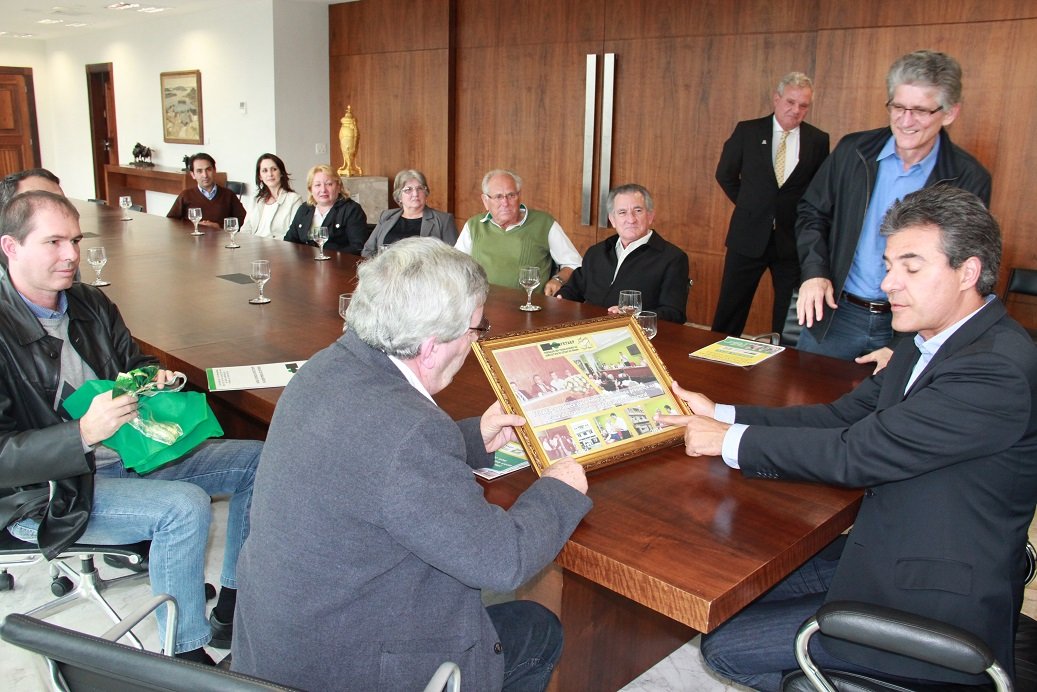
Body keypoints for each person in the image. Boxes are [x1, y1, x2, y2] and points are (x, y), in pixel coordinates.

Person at [659, 186, 1037, 691]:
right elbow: (840, 418)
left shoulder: (993, 369)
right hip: (890, 546)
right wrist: (720, 412)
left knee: (726, 647)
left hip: (936, 600)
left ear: (967, 272)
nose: (887, 284)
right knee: (734, 590)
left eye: (911, 267)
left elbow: (856, 453)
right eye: (888, 265)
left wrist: (727, 442)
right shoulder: (925, 339)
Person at [232, 237, 591, 691]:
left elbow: (372, 463)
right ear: (431, 346)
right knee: (537, 629)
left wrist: (470, 438)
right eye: (477, 330)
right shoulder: (410, 431)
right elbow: (503, 561)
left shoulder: (325, 368)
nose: (477, 343)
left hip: (280, 647)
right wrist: (560, 489)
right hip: (350, 669)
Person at [0, 191, 262, 665]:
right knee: (183, 506)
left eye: (75, 240)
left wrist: (155, 378)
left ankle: (232, 601)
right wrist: (81, 433)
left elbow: (131, 364)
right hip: (49, 491)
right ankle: (183, 658)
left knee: (259, 460)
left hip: (132, 455)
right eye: (54, 241)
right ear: (10, 247)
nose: (71, 255)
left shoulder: (88, 302)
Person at [795, 50, 991, 364]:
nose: (905, 121)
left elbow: (964, 267)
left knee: (889, 411)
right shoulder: (853, 151)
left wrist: (902, 345)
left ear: (950, 112)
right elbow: (811, 212)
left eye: (920, 110)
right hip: (836, 313)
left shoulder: (968, 177)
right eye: (898, 106)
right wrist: (814, 272)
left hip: (914, 326)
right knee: (805, 401)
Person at [712, 72, 830, 337]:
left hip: (791, 241)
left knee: (789, 317)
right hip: (747, 235)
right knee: (730, 309)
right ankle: (714, 359)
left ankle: (784, 367)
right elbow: (725, 174)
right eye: (790, 101)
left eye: (803, 105)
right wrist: (751, 206)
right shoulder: (748, 131)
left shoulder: (818, 140)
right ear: (776, 99)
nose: (796, 110)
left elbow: (819, 189)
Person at [557, 183, 689, 323]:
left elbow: (674, 314)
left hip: (637, 336)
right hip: (589, 332)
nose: (631, 219)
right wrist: (561, 298)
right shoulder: (597, 251)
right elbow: (573, 290)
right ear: (612, 220)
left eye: (638, 211)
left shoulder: (673, 258)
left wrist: (634, 316)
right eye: (622, 212)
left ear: (650, 216)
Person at [455, 169, 581, 295]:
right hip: (481, 306)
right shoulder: (473, 226)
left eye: (511, 195)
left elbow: (574, 263)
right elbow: (455, 266)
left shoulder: (544, 223)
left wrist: (558, 279)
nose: (505, 203)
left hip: (528, 307)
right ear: (485, 201)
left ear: (519, 196)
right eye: (498, 197)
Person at [361, 168, 457, 256]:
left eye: (420, 188)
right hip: (386, 272)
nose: (415, 194)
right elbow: (368, 250)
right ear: (399, 196)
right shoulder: (387, 216)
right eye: (408, 190)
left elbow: (454, 257)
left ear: (426, 193)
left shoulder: (443, 220)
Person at [284, 163, 368, 254]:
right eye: (317, 185)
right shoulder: (304, 209)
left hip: (338, 265)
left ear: (339, 187)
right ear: (310, 189)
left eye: (329, 184)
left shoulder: (352, 210)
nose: (323, 190)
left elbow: (358, 248)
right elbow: (289, 241)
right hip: (305, 263)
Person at [166, 152, 246, 228]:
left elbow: (243, 221)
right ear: (193, 175)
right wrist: (194, 227)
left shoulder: (229, 195)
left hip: (220, 240)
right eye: (199, 171)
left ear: (214, 171)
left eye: (208, 169)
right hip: (192, 241)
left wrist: (219, 227)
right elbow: (170, 222)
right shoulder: (186, 195)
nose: (205, 175)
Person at [240, 153, 302, 240]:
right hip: (254, 247)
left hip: (279, 249)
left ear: (281, 173)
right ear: (260, 176)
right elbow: (246, 229)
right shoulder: (256, 199)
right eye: (265, 170)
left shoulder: (294, 199)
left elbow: (294, 235)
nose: (270, 174)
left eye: (274, 169)